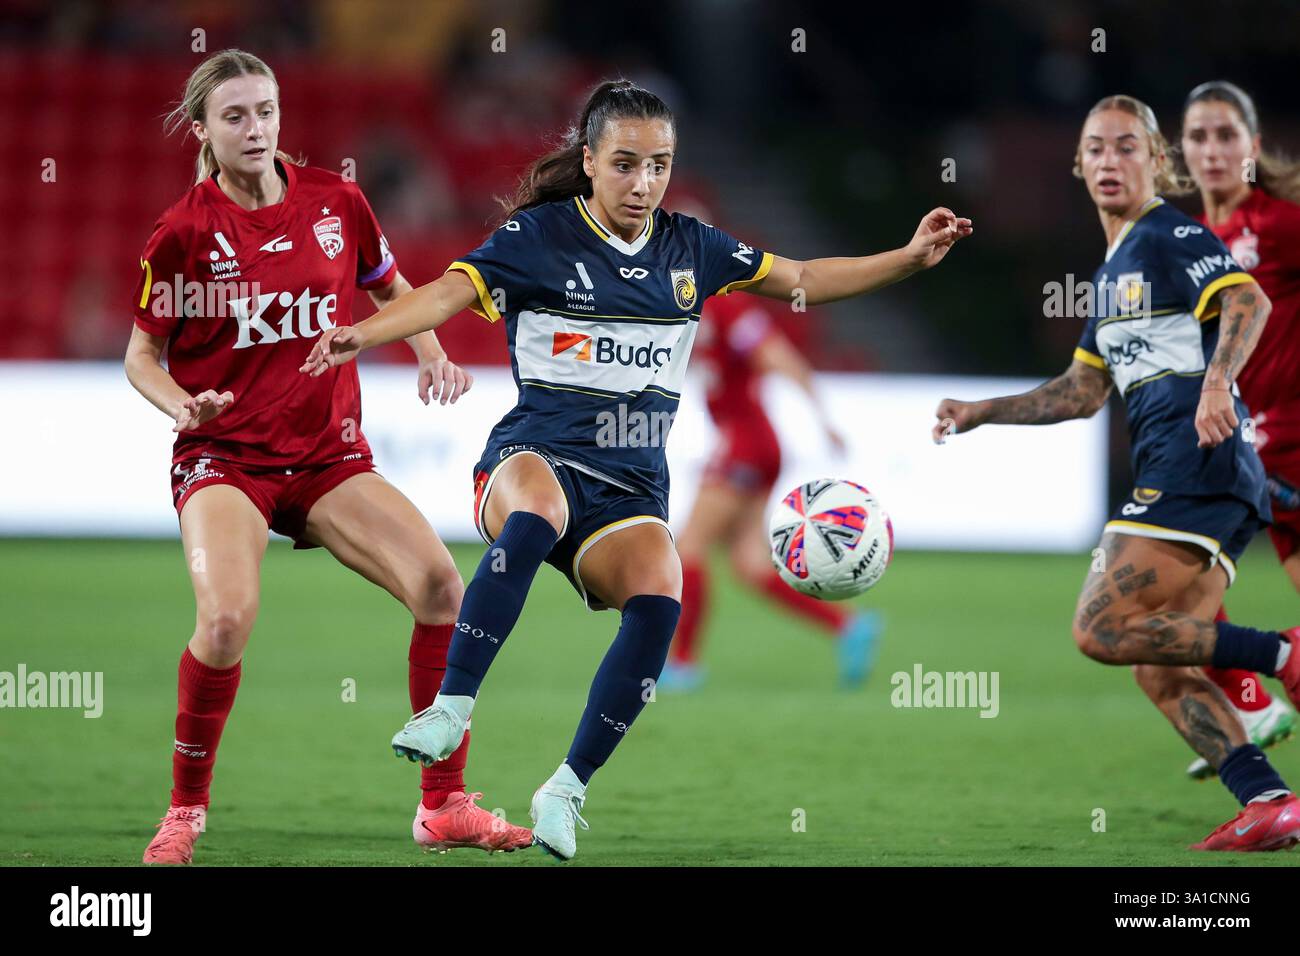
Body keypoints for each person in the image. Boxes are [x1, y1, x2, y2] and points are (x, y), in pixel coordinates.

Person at [302, 79, 971, 859]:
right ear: (588, 161)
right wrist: (365, 333)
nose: (643, 182)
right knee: (536, 513)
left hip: (629, 488)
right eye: (625, 164)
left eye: (659, 165)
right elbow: (451, 292)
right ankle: (452, 705)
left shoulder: (694, 248)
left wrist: (911, 257)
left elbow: (802, 281)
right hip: (534, 455)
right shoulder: (539, 237)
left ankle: (566, 789)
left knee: (663, 592)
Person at [125, 49, 530, 864]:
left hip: (325, 455)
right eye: (235, 115)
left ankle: (443, 804)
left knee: (442, 585)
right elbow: (141, 355)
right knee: (227, 620)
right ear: (203, 129)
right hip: (225, 456)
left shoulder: (336, 201)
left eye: (266, 110)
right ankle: (184, 811)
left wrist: (429, 351)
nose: (255, 127)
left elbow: (389, 287)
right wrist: (182, 406)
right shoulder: (183, 233)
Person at [933, 94, 1300, 851]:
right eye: (1096, 148)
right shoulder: (1113, 272)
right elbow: (1080, 392)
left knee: (1102, 629)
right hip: (1203, 473)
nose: (1109, 160)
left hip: (1195, 464)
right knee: (1157, 662)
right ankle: (1268, 801)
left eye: (1127, 147)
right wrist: (982, 411)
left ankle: (1283, 655)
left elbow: (1247, 298)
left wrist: (1212, 383)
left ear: (1156, 163)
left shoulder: (1167, 233)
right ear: (1078, 163)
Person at [660, 288, 880, 692]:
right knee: (751, 565)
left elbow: (777, 355)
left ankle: (684, 664)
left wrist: (822, 418)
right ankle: (848, 625)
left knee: (688, 547)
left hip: (746, 443)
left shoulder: (727, 305)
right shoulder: (686, 302)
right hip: (745, 442)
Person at [1179, 80, 1300, 780]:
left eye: (1227, 135)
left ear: (1251, 147)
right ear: (1182, 152)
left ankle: (1250, 706)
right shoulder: (1192, 242)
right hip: (1254, 451)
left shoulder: (1280, 225)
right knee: (1177, 598)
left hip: (1282, 451)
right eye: (1199, 136)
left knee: (1162, 597)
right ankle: (1251, 704)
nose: (1214, 149)